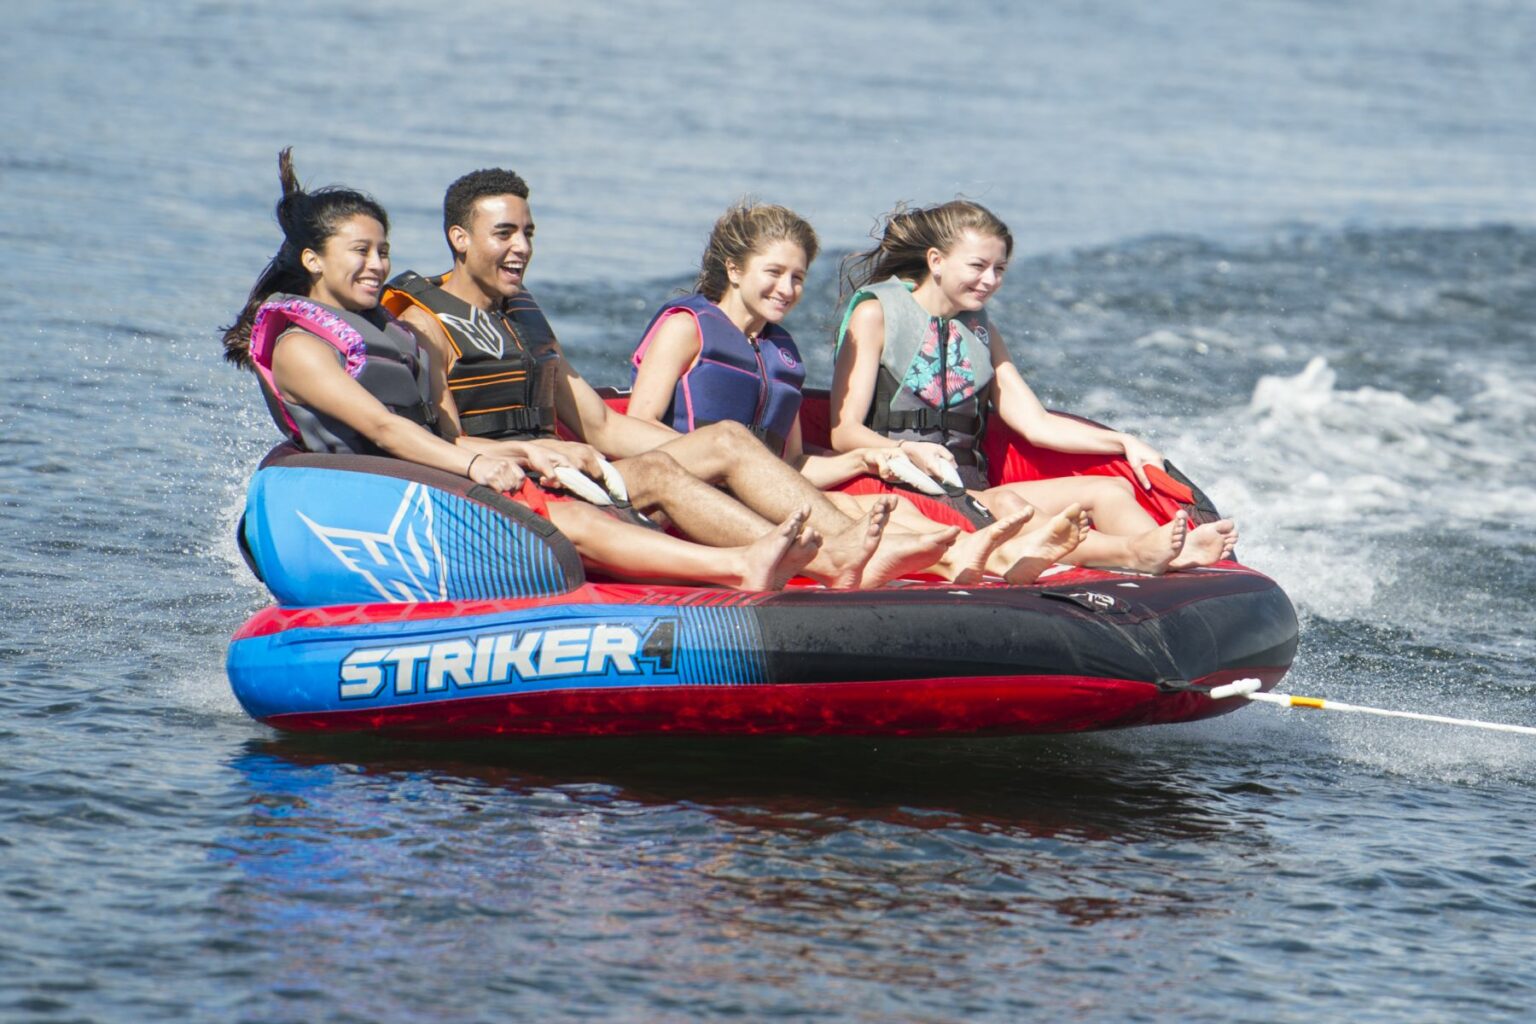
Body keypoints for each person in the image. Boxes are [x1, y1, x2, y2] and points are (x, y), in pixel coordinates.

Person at [220, 149, 823, 591]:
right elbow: (387, 431)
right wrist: (500, 459)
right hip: (391, 498)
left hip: (459, 473)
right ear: (312, 260)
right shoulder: (311, 344)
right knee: (584, 510)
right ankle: (749, 564)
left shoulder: (397, 332)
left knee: (701, 452)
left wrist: (530, 451)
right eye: (362, 253)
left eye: (383, 250)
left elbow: (444, 426)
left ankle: (818, 554)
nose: (378, 264)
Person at [383, 168, 959, 589]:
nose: (522, 247)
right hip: (502, 489)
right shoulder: (425, 322)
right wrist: (538, 453)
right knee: (665, 466)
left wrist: (716, 454)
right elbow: (444, 443)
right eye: (504, 234)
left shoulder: (524, 314)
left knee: (730, 437)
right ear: (460, 238)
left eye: (528, 232)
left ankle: (853, 548)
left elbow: (603, 424)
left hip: (571, 472)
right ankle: (829, 561)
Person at [627, 200, 1089, 585]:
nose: (787, 289)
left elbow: (791, 466)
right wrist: (720, 462)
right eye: (774, 272)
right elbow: (636, 426)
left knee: (887, 507)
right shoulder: (687, 328)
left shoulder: (782, 353)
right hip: (692, 496)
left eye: (798, 277)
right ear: (733, 268)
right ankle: (988, 562)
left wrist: (871, 458)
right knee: (847, 511)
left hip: (751, 490)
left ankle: (989, 560)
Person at [830, 199, 1238, 574]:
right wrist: (903, 450)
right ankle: (1133, 553)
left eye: (1000, 269)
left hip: (969, 488)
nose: (990, 280)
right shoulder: (875, 315)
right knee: (1009, 504)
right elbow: (843, 431)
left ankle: (1171, 558)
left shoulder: (980, 331)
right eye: (977, 266)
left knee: (1108, 488)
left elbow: (1035, 423)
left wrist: (1123, 442)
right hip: (900, 487)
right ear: (936, 260)